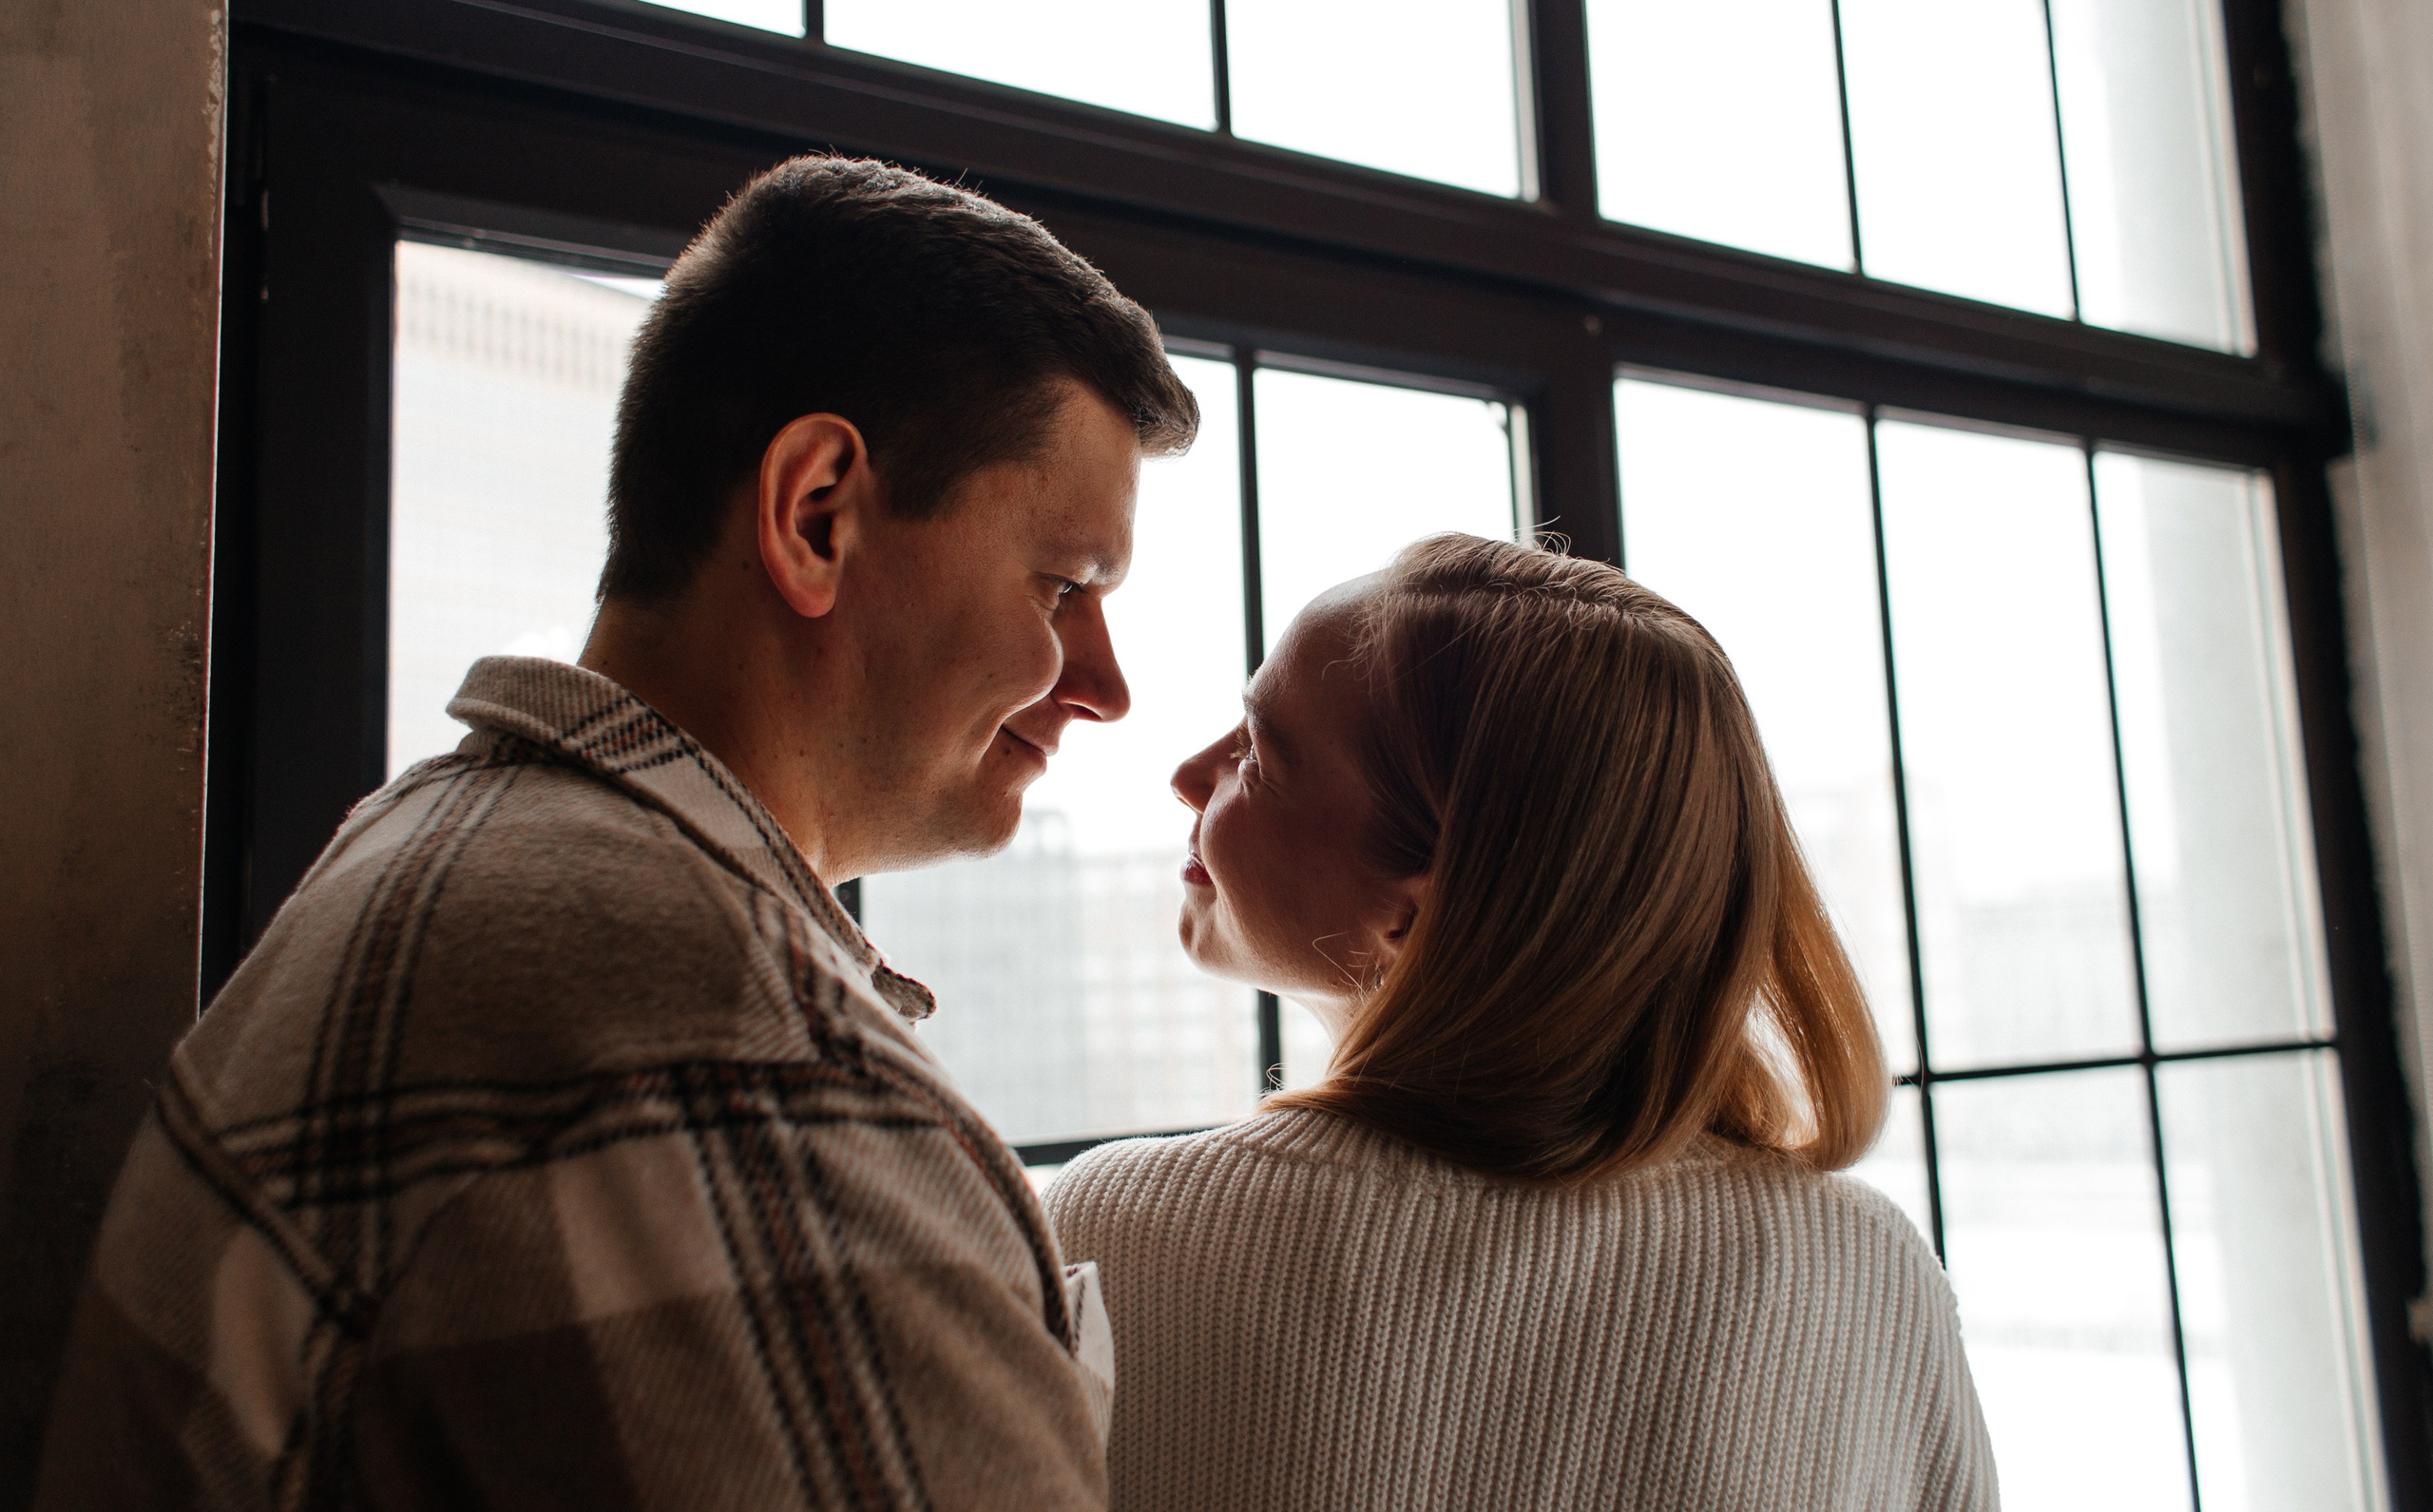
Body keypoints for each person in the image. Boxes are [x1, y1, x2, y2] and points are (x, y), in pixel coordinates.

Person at [37, 157, 1197, 1510]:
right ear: (815, 511)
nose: (1106, 684)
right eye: (1065, 583)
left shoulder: (419, 846)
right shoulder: (736, 1063)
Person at [1044, 534, 2000, 1511]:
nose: (1187, 774)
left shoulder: (1114, 1233)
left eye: (1259, 753)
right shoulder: (1869, 1272)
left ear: (1421, 906)